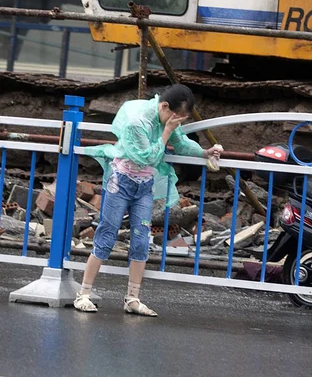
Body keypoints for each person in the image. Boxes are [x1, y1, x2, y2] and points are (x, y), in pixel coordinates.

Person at [73, 84, 224, 316]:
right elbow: (149, 157)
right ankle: (83, 293)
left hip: (144, 186)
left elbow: (181, 142)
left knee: (142, 239)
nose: (176, 125)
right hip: (120, 182)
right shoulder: (138, 122)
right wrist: (166, 133)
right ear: (164, 106)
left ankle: (132, 298)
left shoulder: (167, 119)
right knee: (107, 234)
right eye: (176, 119)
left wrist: (205, 153)